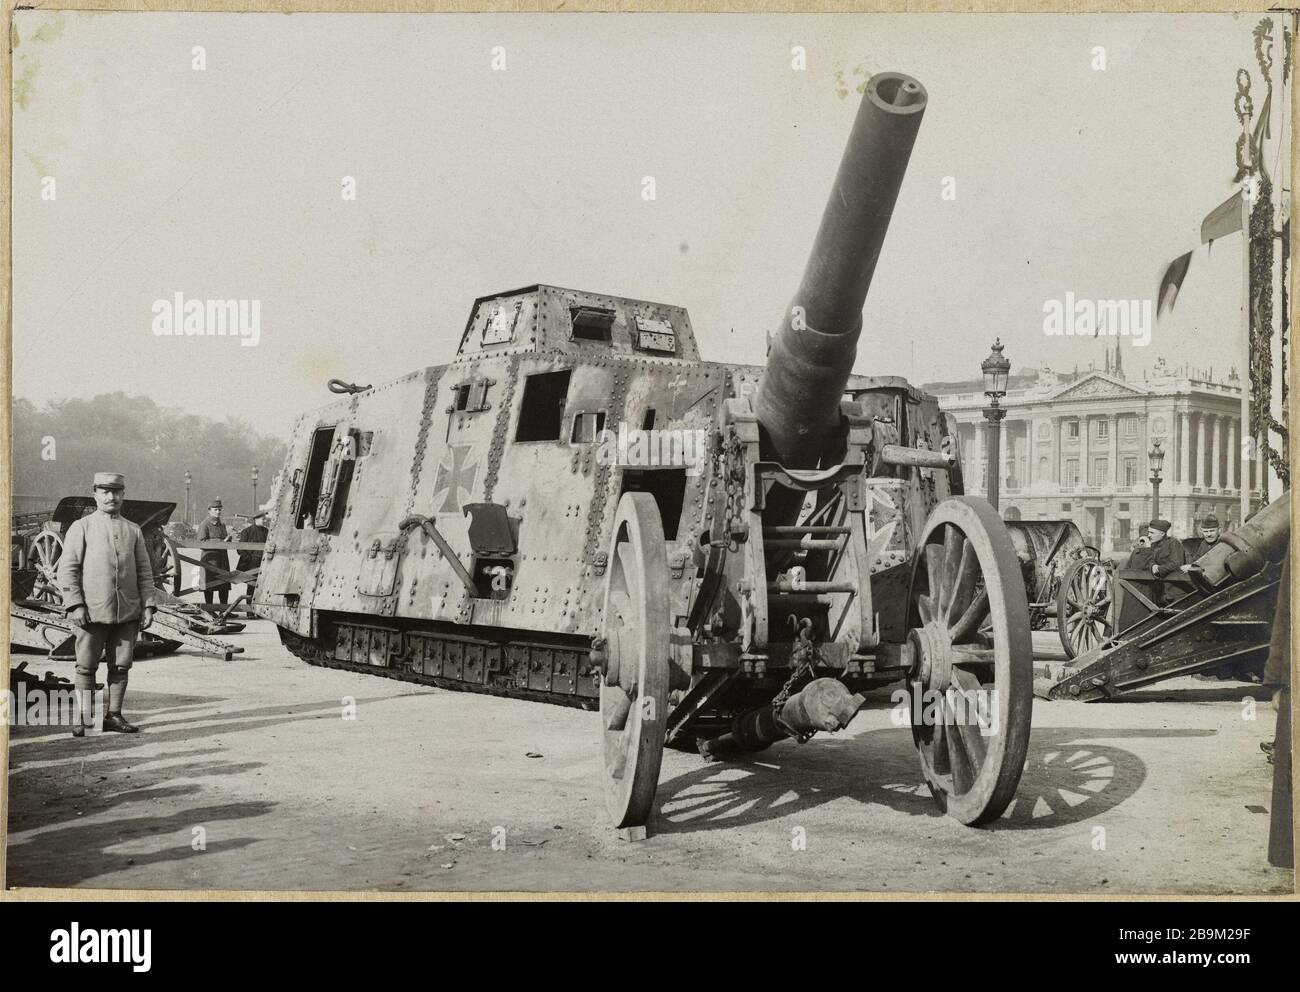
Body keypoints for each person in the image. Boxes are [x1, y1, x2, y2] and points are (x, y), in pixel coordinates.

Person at [57, 472, 157, 735]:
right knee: (86, 665)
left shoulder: (133, 530)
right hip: (90, 612)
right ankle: (86, 719)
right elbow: (68, 570)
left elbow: (145, 572)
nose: (111, 497)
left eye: (116, 492)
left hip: (127, 612)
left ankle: (114, 716)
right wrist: (75, 604)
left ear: (123, 495)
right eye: (105, 491)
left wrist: (148, 605)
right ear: (95, 494)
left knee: (121, 665)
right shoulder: (82, 527)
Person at [1127, 518, 1187, 606]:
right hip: (1159, 594)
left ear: (1162, 533)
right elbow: (1147, 564)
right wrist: (1147, 550)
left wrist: (1159, 569)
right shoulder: (1152, 545)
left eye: (1152, 533)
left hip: (1175, 593)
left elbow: (1176, 563)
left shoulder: (1173, 543)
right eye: (1148, 532)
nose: (1149, 535)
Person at [195, 499, 232, 606]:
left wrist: (228, 540)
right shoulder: (204, 524)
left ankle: (224, 609)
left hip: (222, 559)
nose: (218, 512)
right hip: (210, 560)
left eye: (219, 509)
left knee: (224, 585)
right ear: (209, 511)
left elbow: (225, 539)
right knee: (209, 585)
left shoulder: (222, 525)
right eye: (215, 509)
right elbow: (201, 542)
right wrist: (221, 542)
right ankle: (209, 609)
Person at [236, 512, 269, 607]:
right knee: (251, 587)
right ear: (256, 519)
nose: (265, 520)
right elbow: (240, 549)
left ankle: (258, 609)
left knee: (262, 587)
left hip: (263, 564)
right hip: (250, 564)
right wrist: (249, 558)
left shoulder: (267, 531)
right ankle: (249, 610)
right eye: (263, 519)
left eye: (265, 519)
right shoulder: (246, 531)